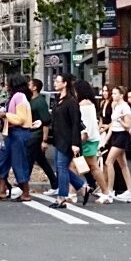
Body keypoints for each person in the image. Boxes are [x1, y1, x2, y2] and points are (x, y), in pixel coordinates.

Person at [46, 74, 89, 210]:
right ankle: (82, 187)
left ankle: (62, 198)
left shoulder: (71, 102)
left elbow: (76, 123)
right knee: (61, 168)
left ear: (65, 84)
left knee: (62, 168)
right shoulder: (59, 99)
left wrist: (75, 143)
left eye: (58, 81)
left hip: (68, 140)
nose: (55, 83)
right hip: (59, 139)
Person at [0, 79, 34, 202]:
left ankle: (25, 192)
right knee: (2, 160)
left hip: (18, 132)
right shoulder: (18, 97)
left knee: (18, 163)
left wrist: (6, 115)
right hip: (13, 133)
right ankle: (2, 189)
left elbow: (20, 119)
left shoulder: (19, 96)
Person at [77, 82, 113, 204]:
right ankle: (92, 187)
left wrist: (82, 138)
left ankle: (104, 192)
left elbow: (84, 125)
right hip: (92, 138)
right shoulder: (90, 103)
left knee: (90, 166)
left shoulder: (83, 104)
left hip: (87, 139)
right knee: (83, 165)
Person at [102, 86, 131, 201]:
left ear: (121, 95)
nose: (113, 96)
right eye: (113, 93)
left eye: (115, 94)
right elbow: (112, 125)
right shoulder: (115, 105)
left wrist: (120, 120)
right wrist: (105, 140)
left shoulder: (125, 107)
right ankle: (130, 190)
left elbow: (128, 126)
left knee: (108, 161)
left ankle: (110, 190)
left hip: (122, 135)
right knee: (123, 164)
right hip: (115, 134)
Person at [26, 78, 57, 193]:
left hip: (36, 134)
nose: (27, 86)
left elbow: (46, 122)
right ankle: (55, 183)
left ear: (35, 88)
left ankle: (23, 185)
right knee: (41, 161)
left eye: (29, 84)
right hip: (31, 132)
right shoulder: (30, 99)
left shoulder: (40, 101)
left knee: (28, 159)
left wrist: (44, 140)